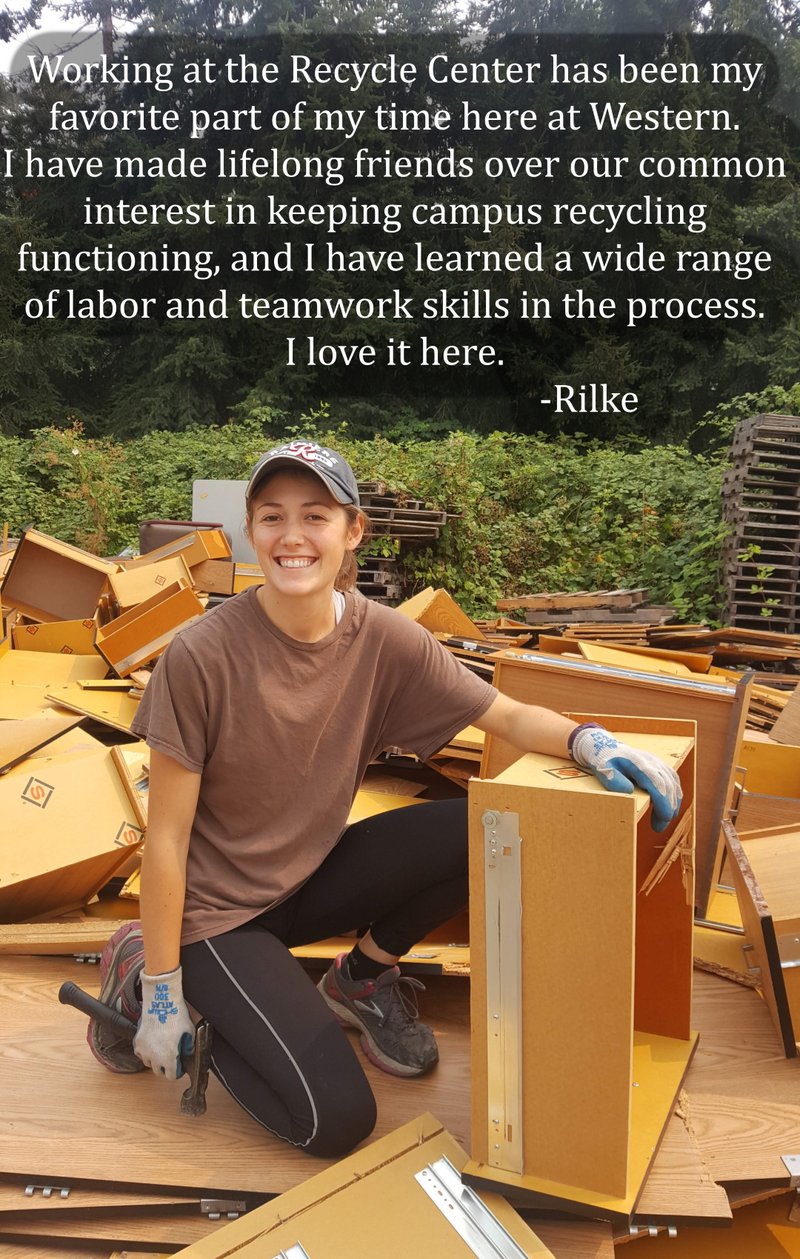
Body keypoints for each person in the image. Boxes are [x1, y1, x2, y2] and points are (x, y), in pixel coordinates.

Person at [87, 439, 681, 1159]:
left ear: (353, 530)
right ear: (251, 528)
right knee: (336, 1121)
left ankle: (360, 979)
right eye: (272, 517)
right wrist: (161, 986)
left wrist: (592, 741)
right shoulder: (202, 656)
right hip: (215, 915)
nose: (293, 536)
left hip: (306, 876)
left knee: (497, 828)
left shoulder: (384, 640)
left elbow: (507, 716)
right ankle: (142, 968)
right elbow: (168, 839)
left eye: (315, 515)